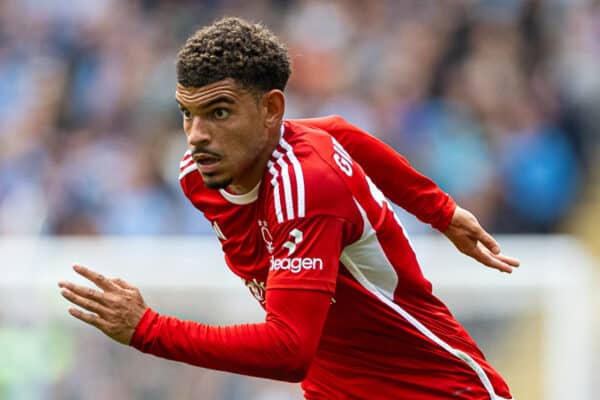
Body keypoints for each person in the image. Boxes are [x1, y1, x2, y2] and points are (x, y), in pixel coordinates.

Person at [58, 17, 520, 399]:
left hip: (433, 390)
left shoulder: (306, 189)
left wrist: (148, 328)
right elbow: (341, 131)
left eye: (219, 112)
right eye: (187, 113)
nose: (197, 134)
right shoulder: (200, 174)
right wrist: (441, 211)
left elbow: (288, 350)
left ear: (271, 108)